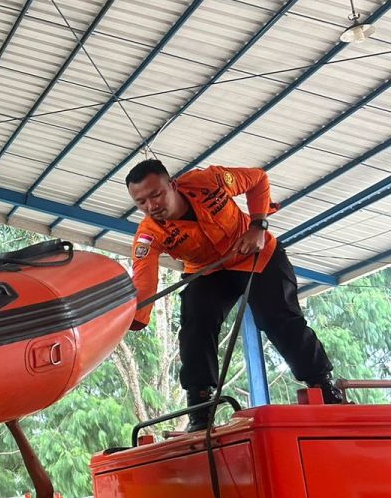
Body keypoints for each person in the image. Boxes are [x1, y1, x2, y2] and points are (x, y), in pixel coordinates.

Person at [125, 159, 342, 429]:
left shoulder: (210, 181)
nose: (151, 206)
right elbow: (143, 279)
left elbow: (258, 179)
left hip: (256, 254)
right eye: (141, 202)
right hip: (209, 272)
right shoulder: (148, 234)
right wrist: (133, 317)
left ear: (172, 184)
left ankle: (322, 385)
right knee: (195, 323)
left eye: (156, 195)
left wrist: (258, 225)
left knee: (277, 318)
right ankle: (200, 408)